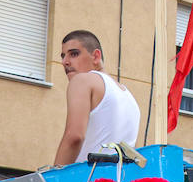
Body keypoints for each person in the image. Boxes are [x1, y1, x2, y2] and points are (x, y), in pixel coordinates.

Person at [52, 30, 141, 166]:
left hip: (87, 181)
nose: (65, 62)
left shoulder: (82, 80)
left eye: (74, 54)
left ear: (96, 56)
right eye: (63, 56)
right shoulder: (129, 97)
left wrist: (54, 177)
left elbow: (75, 136)